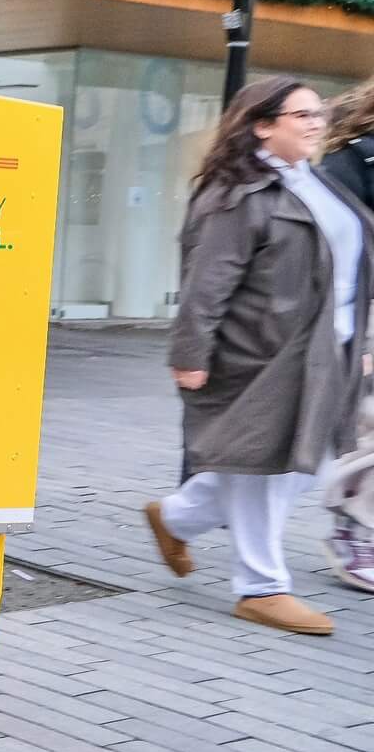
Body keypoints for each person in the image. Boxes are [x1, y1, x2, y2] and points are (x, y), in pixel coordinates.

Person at [145, 77, 374, 634]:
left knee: (311, 458)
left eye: (318, 112)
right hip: (262, 354)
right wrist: (191, 353)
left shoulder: (316, 182)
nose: (317, 121)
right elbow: (207, 282)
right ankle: (261, 587)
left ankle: (176, 516)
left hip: (330, 348)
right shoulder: (236, 194)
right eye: (301, 115)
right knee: (262, 466)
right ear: (261, 125)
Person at [317, 80, 374, 589]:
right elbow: (334, 250)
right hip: (364, 313)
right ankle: (353, 531)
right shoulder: (352, 164)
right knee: (369, 431)